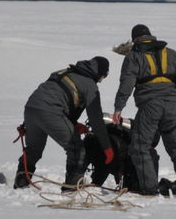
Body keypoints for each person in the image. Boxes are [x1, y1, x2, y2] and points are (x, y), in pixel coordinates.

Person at [111, 24, 176, 196]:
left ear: (134, 39)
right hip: (172, 106)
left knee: (140, 147)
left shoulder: (134, 56)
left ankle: (149, 188)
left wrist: (119, 107)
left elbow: (127, 83)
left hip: (150, 106)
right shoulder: (171, 53)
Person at [15, 57, 114, 190]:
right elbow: (96, 120)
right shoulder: (90, 86)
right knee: (77, 149)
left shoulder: (63, 72)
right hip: (51, 112)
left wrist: (26, 124)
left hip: (31, 110)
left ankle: (21, 183)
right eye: (104, 76)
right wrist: (107, 147)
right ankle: (71, 190)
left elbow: (50, 95)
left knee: (33, 150)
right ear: (100, 73)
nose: (102, 80)